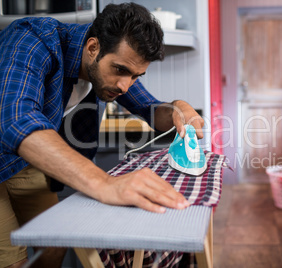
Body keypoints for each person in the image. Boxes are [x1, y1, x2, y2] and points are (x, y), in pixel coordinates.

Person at [0, 3, 204, 267]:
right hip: (9, 144)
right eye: (120, 71)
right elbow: (16, 120)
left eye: (136, 76)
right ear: (93, 47)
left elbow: (150, 110)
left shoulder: (116, 66)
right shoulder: (32, 39)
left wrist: (179, 107)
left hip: (21, 161)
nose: (125, 86)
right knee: (12, 261)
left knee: (54, 243)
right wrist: (105, 184)